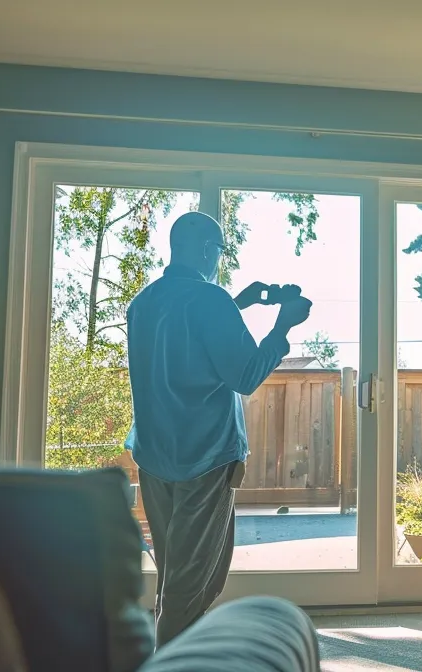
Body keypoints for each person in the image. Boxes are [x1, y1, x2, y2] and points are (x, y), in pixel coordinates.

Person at [124, 211, 312, 645]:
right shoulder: (211, 301)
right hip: (204, 458)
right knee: (193, 585)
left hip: (154, 454)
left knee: (175, 574)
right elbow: (244, 376)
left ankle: (174, 652)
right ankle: (174, 661)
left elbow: (183, 335)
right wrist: (283, 325)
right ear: (208, 250)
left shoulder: (144, 302)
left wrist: (236, 304)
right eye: (220, 250)